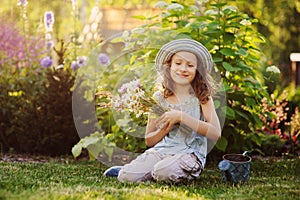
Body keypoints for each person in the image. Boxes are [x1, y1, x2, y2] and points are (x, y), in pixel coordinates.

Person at [104, 38, 221, 183]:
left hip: (189, 154)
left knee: (163, 171)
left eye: (190, 65)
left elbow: (215, 133)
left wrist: (181, 116)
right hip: (162, 151)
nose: (183, 69)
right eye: (178, 63)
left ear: (197, 70)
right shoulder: (159, 98)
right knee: (125, 176)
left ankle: (158, 172)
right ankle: (147, 171)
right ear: (169, 66)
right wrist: (166, 128)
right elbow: (149, 139)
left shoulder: (202, 96)